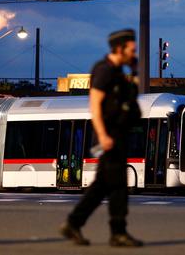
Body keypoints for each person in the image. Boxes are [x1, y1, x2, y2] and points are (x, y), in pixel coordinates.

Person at [60, 29, 143, 248]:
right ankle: (118, 232)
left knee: (102, 186)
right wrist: (102, 136)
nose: (134, 53)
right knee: (118, 187)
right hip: (109, 137)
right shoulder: (104, 70)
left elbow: (132, 98)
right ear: (119, 48)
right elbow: (94, 106)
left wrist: (134, 71)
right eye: (132, 50)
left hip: (119, 135)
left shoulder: (119, 73)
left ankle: (74, 223)